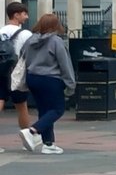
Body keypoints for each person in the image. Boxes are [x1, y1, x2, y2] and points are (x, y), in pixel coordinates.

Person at [16, 13, 75, 155]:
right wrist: (70, 84)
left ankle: (48, 143)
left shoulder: (30, 40)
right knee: (57, 109)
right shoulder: (56, 41)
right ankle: (32, 131)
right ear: (56, 25)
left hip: (32, 77)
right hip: (50, 79)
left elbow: (23, 57)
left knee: (44, 110)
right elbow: (65, 64)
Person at [2, 1, 34, 149]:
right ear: (16, 15)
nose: (26, 17)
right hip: (17, 71)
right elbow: (30, 54)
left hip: (1, 70)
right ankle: (26, 139)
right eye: (24, 14)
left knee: (0, 100)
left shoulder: (1, 31)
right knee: (21, 105)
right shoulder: (25, 34)